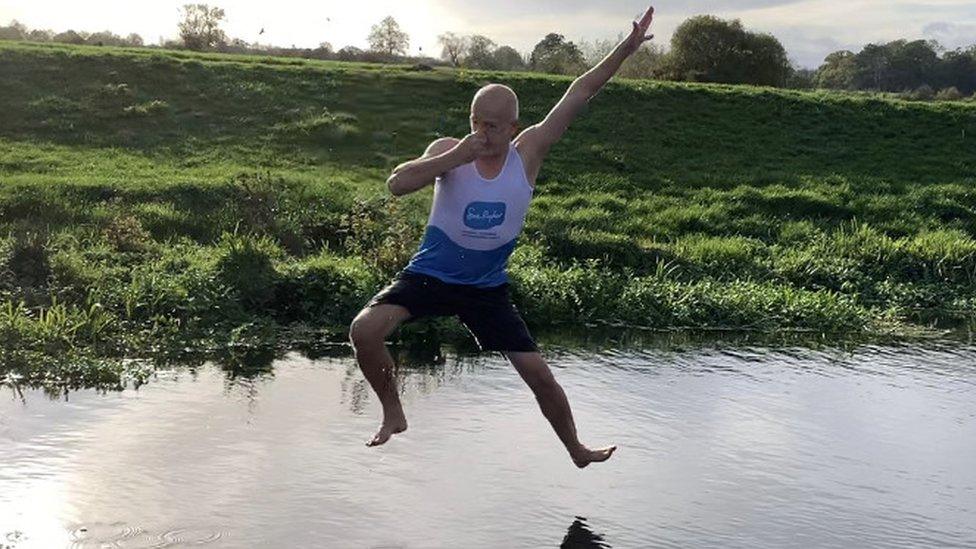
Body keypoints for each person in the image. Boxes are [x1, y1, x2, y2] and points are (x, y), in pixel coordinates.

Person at [349, 6, 655, 468]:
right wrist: (451, 159)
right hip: (430, 275)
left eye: (493, 125)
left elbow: (580, 92)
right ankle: (393, 411)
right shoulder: (446, 152)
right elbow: (397, 183)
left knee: (539, 375)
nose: (483, 132)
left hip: (486, 289)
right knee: (364, 331)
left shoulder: (527, 152)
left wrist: (625, 50)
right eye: (476, 121)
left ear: (512, 127)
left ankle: (576, 449)